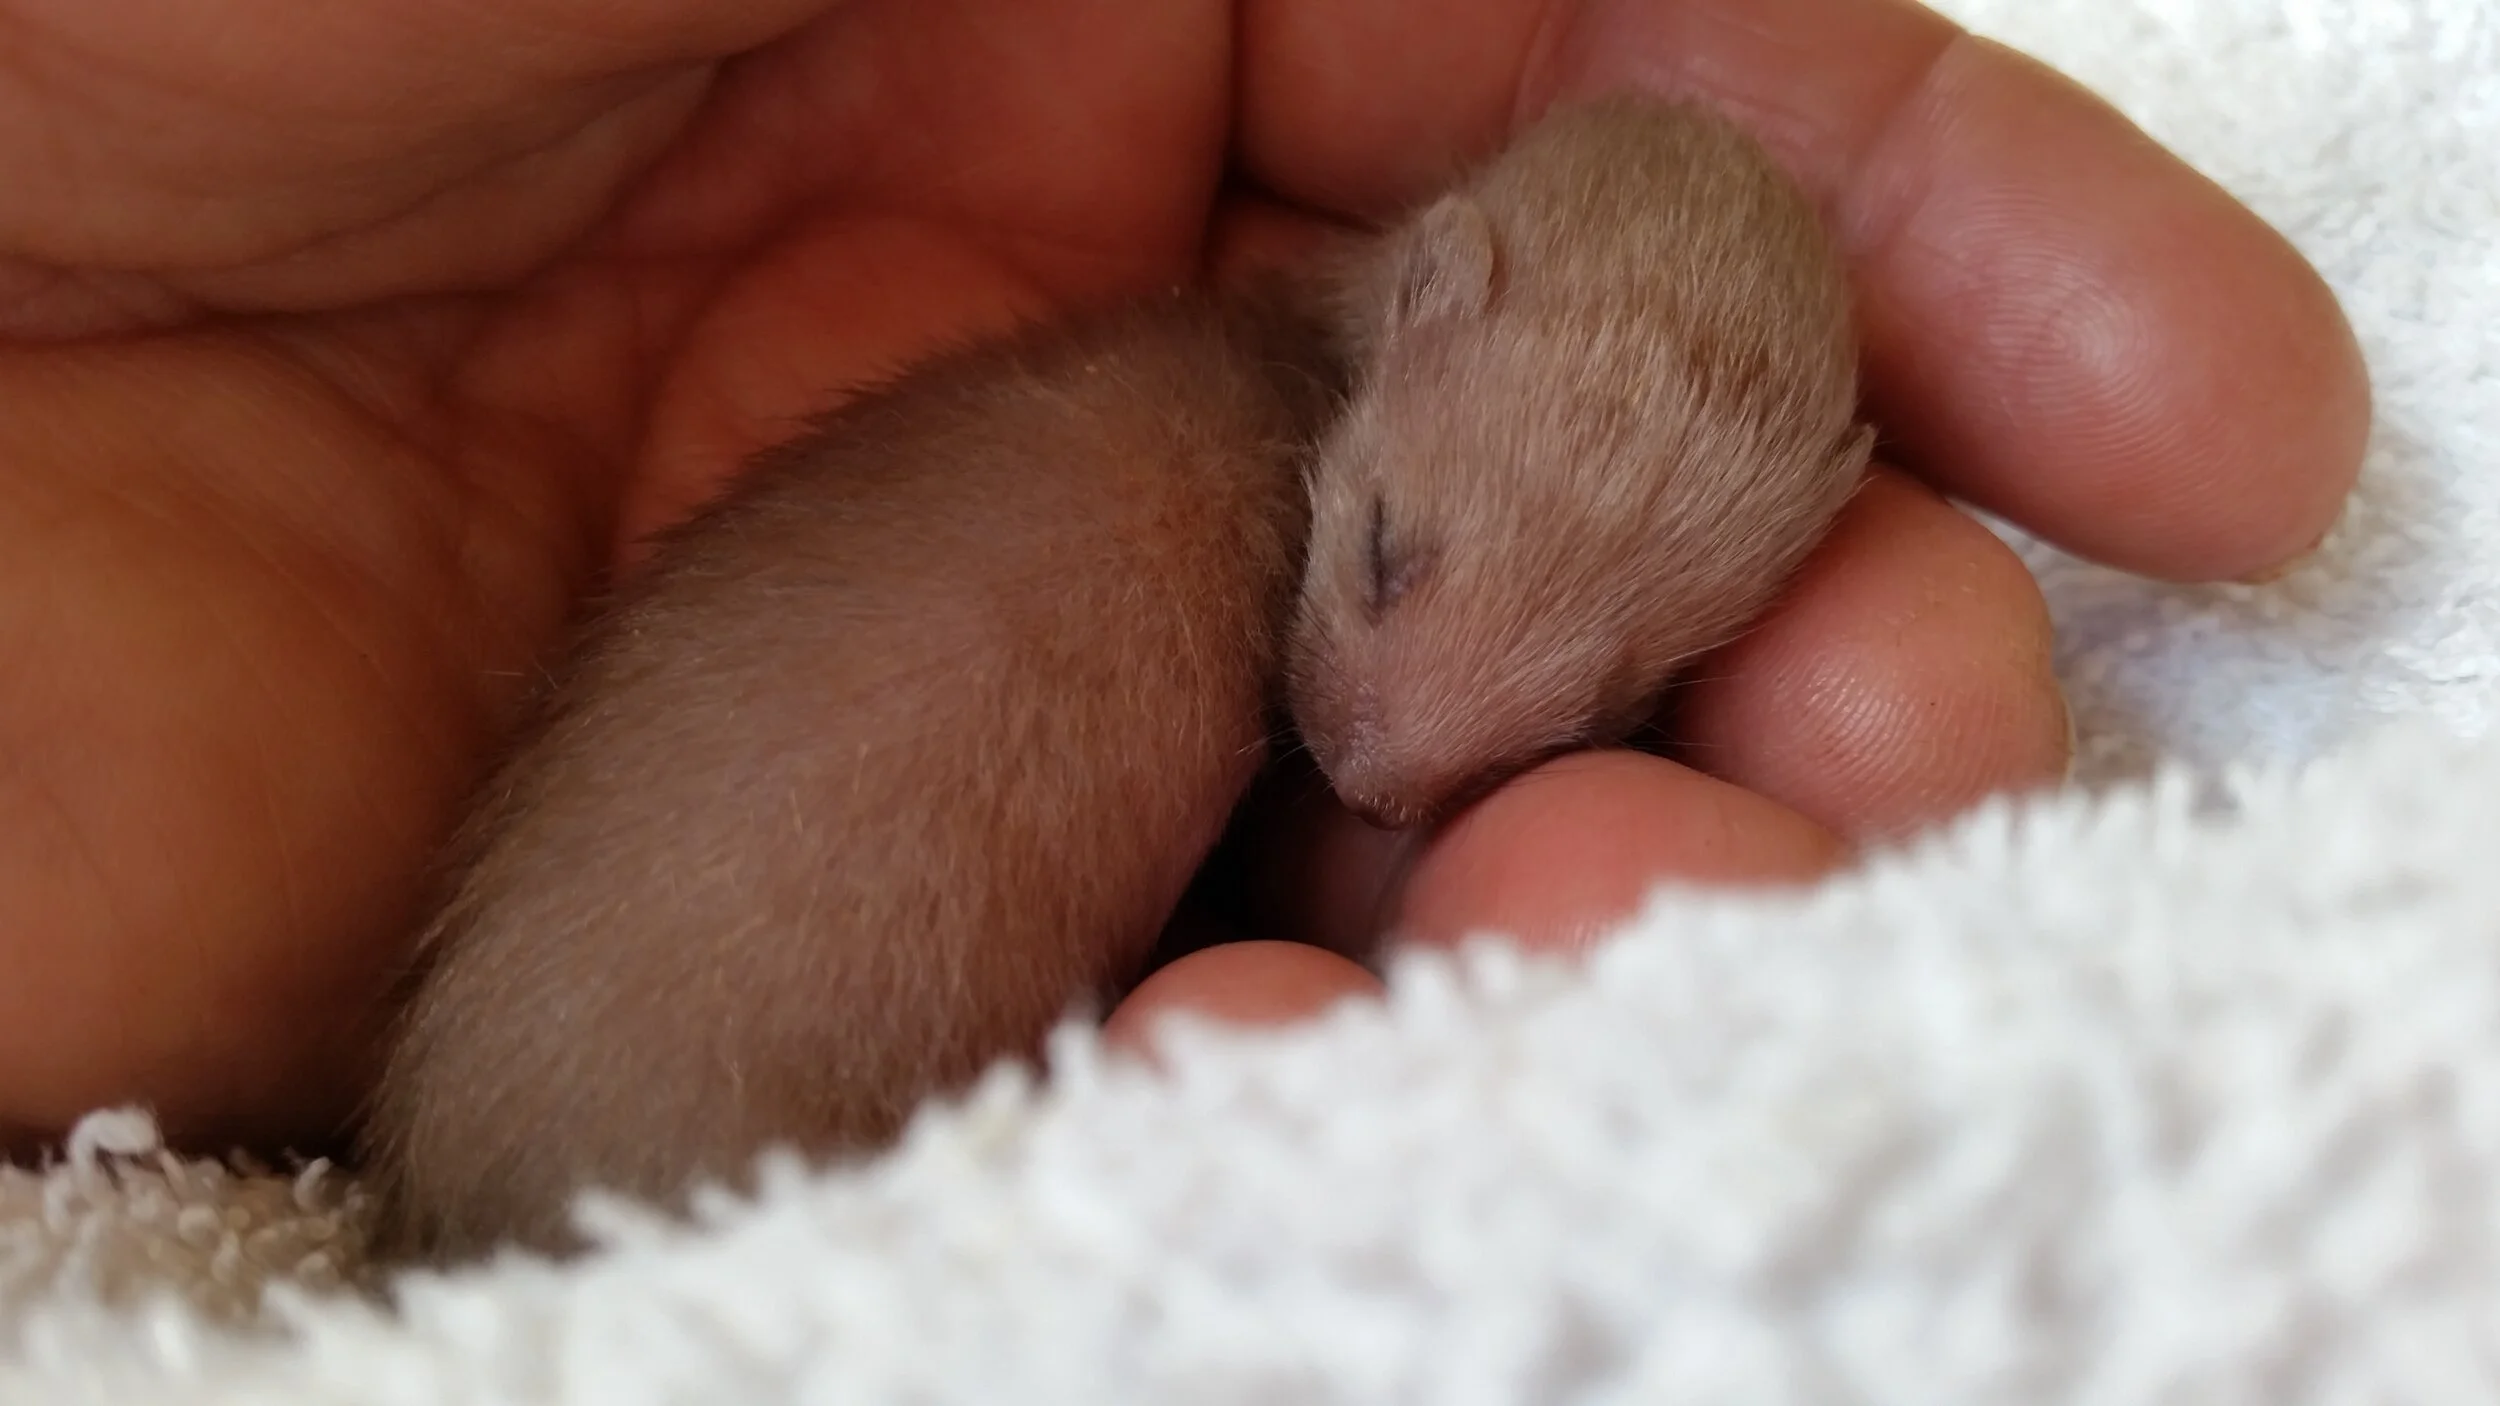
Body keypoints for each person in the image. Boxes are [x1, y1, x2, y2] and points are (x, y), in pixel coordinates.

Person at [0, 0, 2366, 1155]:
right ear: (1425, 295)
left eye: (1603, 677)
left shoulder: (1299, 430)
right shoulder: (1179, 422)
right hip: (653, 1094)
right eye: (1393, 560)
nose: (1398, 754)